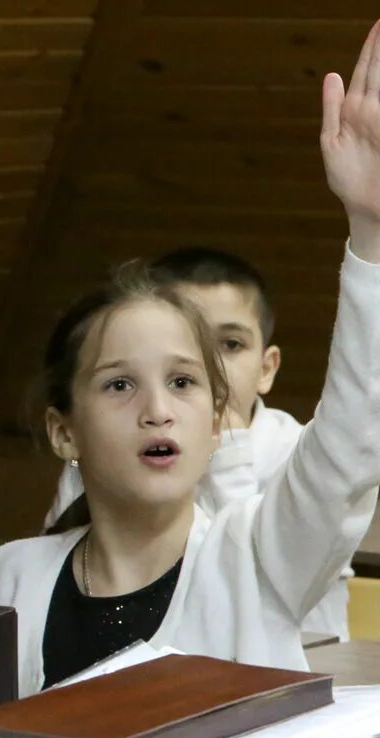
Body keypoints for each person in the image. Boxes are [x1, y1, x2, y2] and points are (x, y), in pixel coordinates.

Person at [0, 7, 380, 692]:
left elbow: (353, 440)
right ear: (62, 430)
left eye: (184, 383)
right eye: (118, 385)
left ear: (218, 412)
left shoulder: (257, 559)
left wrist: (378, 228)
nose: (157, 410)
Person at [43, 247, 352, 640]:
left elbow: (250, 579)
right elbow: (61, 555)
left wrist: (228, 451)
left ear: (267, 367)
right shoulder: (109, 451)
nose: (213, 365)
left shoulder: (296, 452)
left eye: (231, 345)